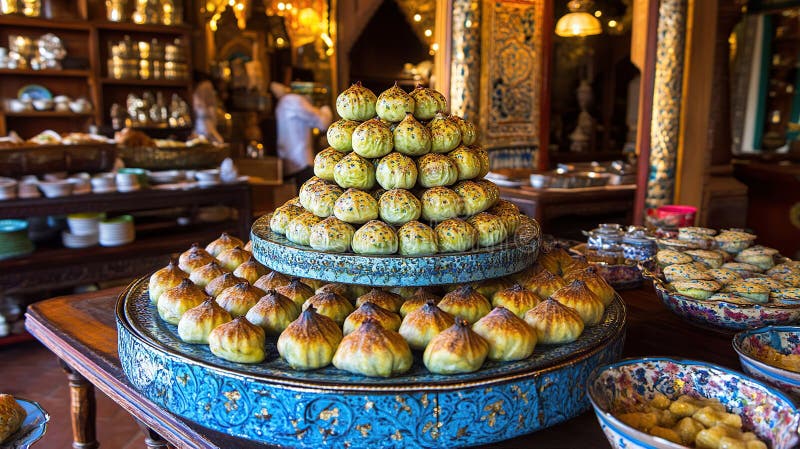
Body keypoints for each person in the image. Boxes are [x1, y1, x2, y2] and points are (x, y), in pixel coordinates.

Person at [271, 81, 332, 186]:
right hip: (301, 164)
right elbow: (323, 123)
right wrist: (324, 105)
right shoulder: (293, 100)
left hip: (292, 163)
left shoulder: (284, 101)